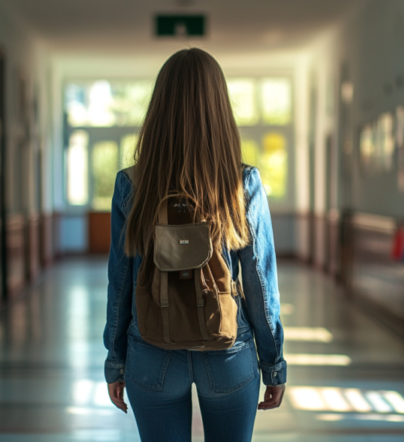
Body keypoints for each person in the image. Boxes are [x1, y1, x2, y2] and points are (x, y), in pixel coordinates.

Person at [103, 48, 286, 442]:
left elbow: (120, 284)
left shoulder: (131, 186)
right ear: (220, 107)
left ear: (157, 109)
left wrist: (116, 360)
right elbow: (259, 282)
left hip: (151, 350)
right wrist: (273, 364)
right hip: (227, 350)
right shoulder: (242, 183)